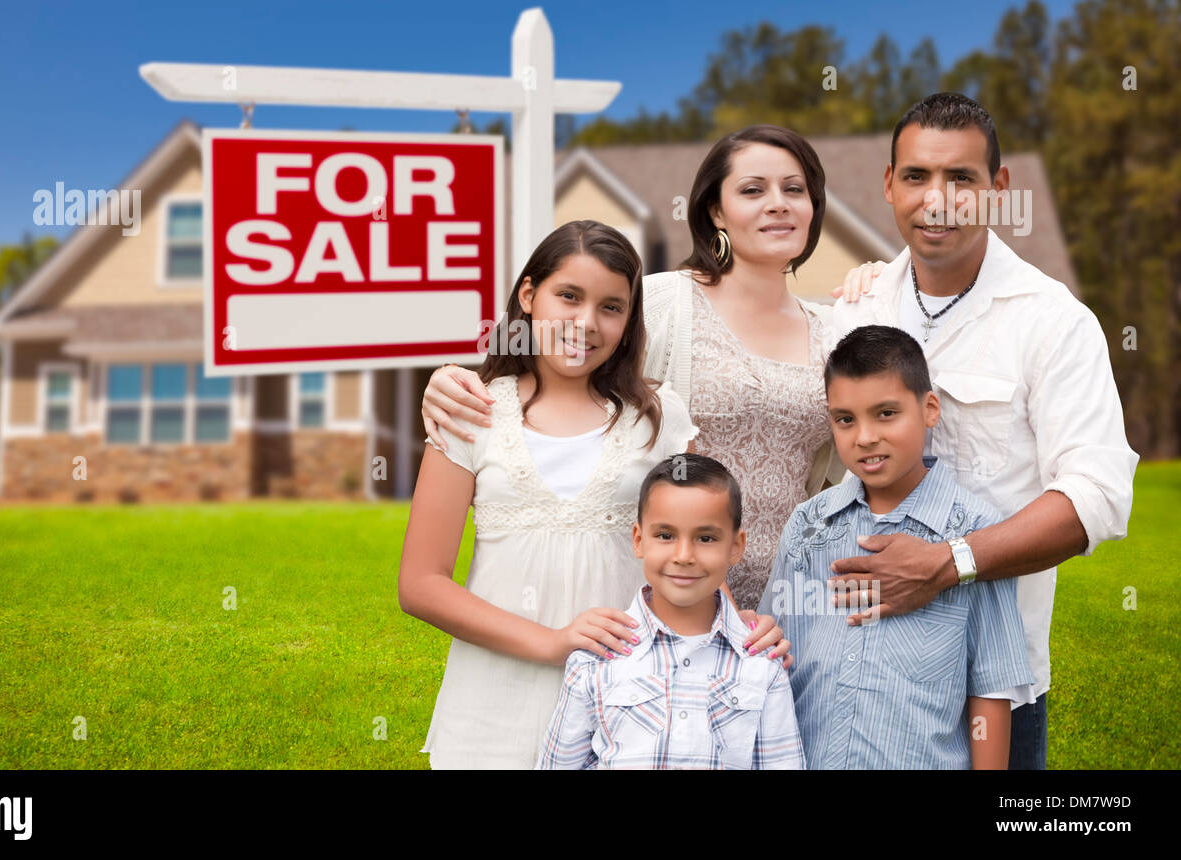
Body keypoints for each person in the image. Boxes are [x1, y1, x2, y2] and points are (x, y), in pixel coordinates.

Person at [420, 125, 881, 620]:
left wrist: (886, 282)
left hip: (794, 596)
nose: (778, 203)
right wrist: (452, 379)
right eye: (752, 190)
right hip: (666, 598)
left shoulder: (840, 329)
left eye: (795, 190)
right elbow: (566, 366)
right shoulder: (660, 303)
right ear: (715, 211)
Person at [826, 93, 1139, 770]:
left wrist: (949, 564)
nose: (937, 199)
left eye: (961, 178)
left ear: (998, 187)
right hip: (859, 669)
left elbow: (1098, 496)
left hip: (993, 684)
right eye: (916, 176)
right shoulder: (854, 309)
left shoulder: (1052, 321)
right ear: (888, 186)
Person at [398, 219, 704, 769]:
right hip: (493, 707)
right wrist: (552, 641)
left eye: (611, 307)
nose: (586, 323)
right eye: (569, 296)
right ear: (529, 294)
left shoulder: (659, 419)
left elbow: (696, 553)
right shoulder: (470, 412)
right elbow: (420, 584)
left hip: (625, 702)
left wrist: (743, 627)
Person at [761, 325, 1033, 769]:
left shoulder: (976, 533)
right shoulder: (808, 525)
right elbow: (771, 654)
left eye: (886, 413)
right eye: (845, 419)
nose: (864, 436)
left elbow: (991, 686)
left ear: (929, 409)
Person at [538, 454, 805, 769]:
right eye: (665, 536)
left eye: (705, 538)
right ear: (638, 540)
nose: (683, 556)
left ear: (735, 546)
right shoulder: (596, 657)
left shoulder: (761, 663)